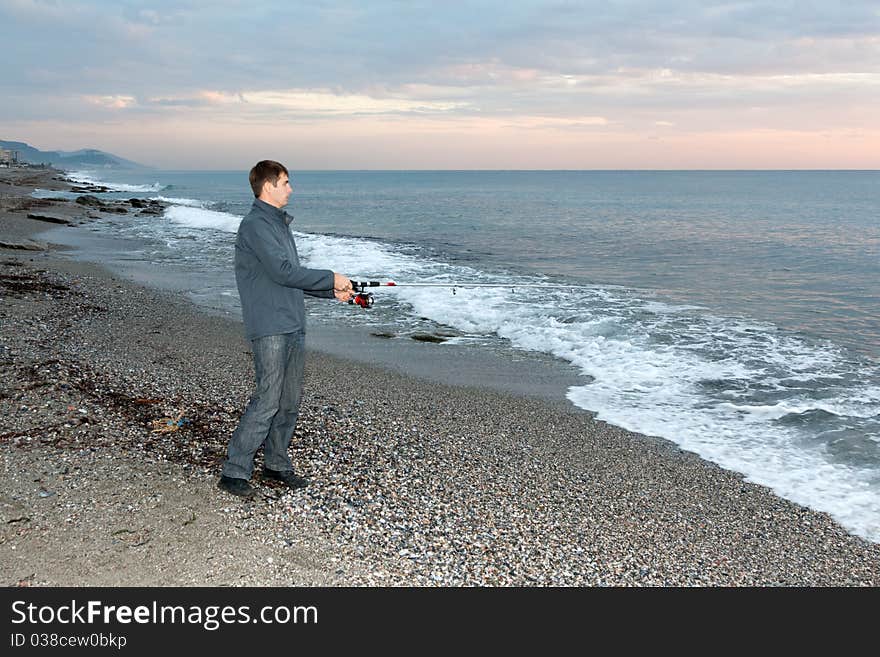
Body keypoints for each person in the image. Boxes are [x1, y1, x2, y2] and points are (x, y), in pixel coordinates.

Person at [218, 160, 353, 498]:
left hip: (292, 321)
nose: (291, 189)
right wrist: (331, 275)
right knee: (267, 399)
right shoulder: (255, 226)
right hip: (270, 325)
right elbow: (282, 271)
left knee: (289, 401)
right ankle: (234, 471)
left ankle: (276, 464)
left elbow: (289, 277)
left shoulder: (278, 225)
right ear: (269, 186)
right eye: (286, 182)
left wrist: (331, 291)